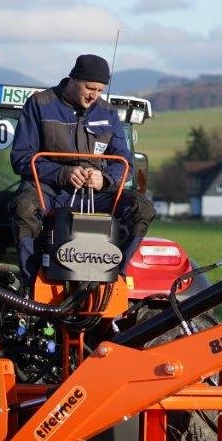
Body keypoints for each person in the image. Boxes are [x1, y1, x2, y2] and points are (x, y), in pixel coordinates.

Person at [10, 54, 155, 282]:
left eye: (99, 90)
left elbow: (124, 161)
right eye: (90, 88)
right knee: (24, 207)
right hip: (49, 191)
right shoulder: (40, 104)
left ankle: (113, 277)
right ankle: (34, 282)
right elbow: (21, 157)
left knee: (142, 208)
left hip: (95, 194)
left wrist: (105, 179)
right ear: (74, 79)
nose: (94, 95)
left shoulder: (108, 113)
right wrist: (63, 173)